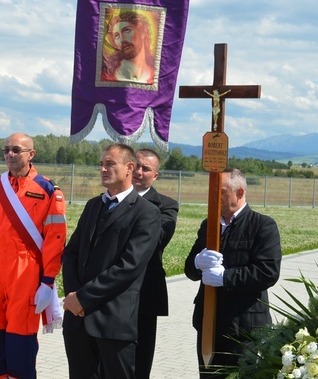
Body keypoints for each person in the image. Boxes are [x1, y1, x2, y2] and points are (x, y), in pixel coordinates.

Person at [0, 132, 67, 379]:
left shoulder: (47, 190)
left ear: (31, 154)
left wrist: (48, 280)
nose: (10, 155)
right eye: (6, 150)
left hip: (27, 271)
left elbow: (56, 239)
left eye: (16, 150)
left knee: (20, 341)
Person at [62, 143, 161, 379]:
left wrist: (84, 298)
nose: (103, 169)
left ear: (129, 168)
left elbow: (129, 267)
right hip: (78, 320)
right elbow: (72, 253)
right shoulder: (94, 205)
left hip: (114, 322)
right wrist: (75, 297)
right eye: (101, 164)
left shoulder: (146, 212)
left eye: (110, 163)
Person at [184, 168, 281, 378]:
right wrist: (197, 262)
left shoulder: (262, 226)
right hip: (209, 325)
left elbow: (268, 272)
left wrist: (225, 278)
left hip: (244, 330)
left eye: (221, 191)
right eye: (212, 191)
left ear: (239, 192)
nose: (214, 196)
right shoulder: (209, 225)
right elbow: (189, 271)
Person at [133, 148, 179, 379]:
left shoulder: (166, 205)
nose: (139, 172)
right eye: (136, 166)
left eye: (146, 169)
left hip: (144, 295)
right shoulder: (107, 199)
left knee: (140, 362)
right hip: (108, 297)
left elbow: (156, 240)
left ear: (155, 176)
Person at [101, 10, 155, 84]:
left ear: (142, 32)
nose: (122, 39)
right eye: (116, 36)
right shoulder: (106, 76)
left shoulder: (158, 77)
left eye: (127, 30)